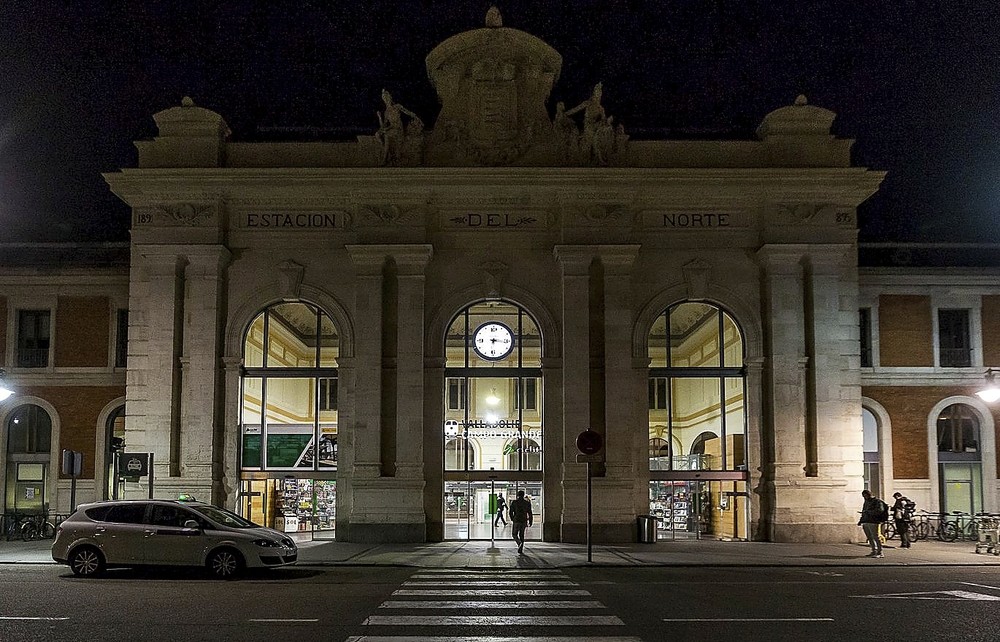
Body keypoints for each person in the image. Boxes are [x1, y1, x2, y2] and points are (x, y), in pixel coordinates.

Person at [858, 489, 886, 558]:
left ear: (868, 494)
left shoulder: (877, 501)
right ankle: (874, 550)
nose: (864, 497)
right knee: (870, 537)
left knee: (875, 537)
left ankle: (880, 552)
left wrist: (869, 512)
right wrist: (861, 520)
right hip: (866, 521)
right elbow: (864, 511)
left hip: (874, 521)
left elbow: (880, 510)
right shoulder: (866, 502)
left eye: (865, 495)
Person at [508, 489, 533, 554]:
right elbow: (530, 513)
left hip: (516, 520)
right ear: (523, 495)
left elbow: (511, 512)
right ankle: (520, 549)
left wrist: (512, 519)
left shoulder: (514, 502)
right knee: (522, 534)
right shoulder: (527, 503)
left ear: (518, 495)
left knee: (514, 534)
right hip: (524, 520)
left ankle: (519, 543)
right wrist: (530, 521)